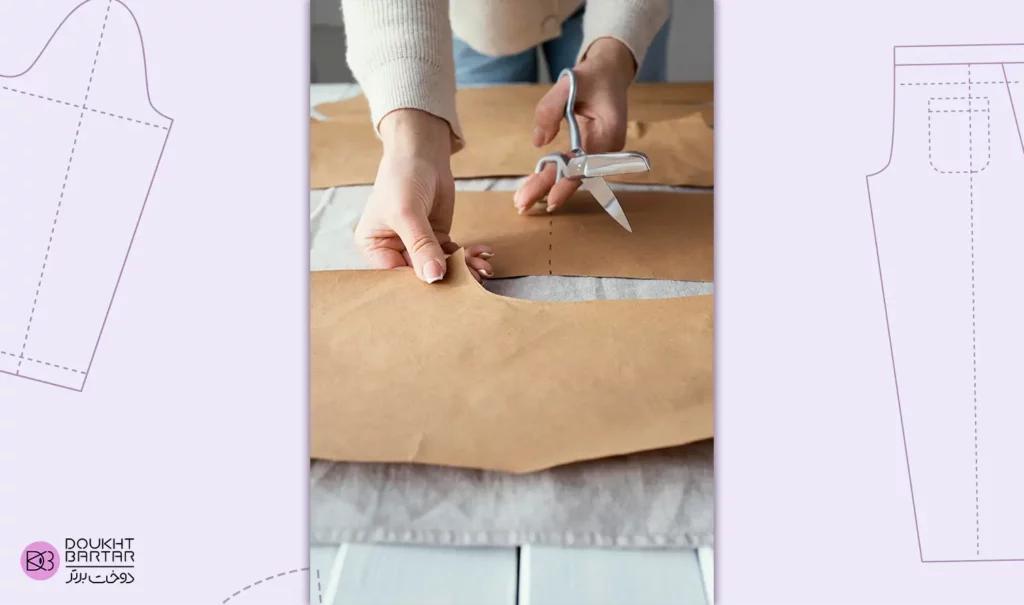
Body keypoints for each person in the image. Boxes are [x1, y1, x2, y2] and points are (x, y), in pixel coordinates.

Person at [341, 0, 671, 283]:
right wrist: (412, 145)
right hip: (481, 16)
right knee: (487, 115)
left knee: (620, 96)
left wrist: (611, 60)